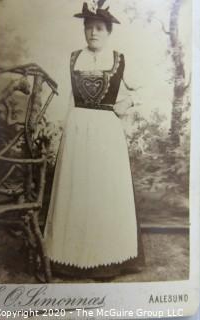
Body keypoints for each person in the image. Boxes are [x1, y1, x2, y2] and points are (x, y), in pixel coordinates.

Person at [44, 0, 144, 281]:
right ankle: (70, 260)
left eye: (99, 28)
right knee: (77, 189)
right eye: (89, 28)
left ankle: (106, 261)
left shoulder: (119, 59)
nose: (93, 34)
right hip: (77, 130)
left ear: (108, 31)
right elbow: (64, 99)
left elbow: (137, 92)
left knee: (104, 192)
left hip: (106, 132)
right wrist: (61, 128)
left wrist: (124, 107)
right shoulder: (74, 57)